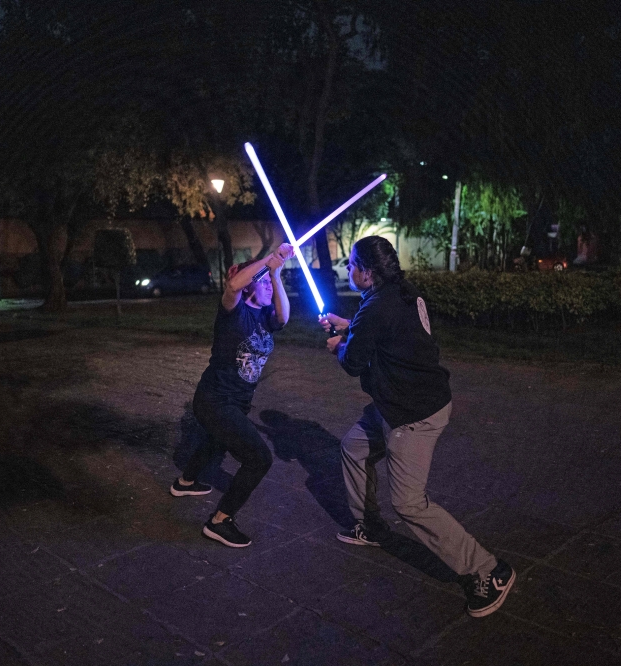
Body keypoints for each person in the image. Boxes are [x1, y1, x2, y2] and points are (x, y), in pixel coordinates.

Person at [318, 236, 515, 618]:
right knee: (354, 447)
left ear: (368, 272)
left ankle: (489, 570)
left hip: (412, 414)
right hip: (403, 400)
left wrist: (339, 344)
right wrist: (349, 326)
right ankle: (369, 526)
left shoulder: (376, 307)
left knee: (408, 502)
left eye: (352, 263)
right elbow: (382, 331)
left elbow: (352, 362)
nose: (347, 268)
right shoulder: (401, 292)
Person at [170, 244, 293, 548]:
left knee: (216, 441)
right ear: (251, 284)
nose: (268, 286)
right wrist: (268, 260)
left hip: (236, 402)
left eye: (270, 282)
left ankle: (185, 482)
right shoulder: (233, 310)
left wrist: (275, 274)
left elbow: (285, 316)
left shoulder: (267, 318)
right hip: (213, 399)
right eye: (263, 281)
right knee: (259, 459)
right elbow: (233, 285)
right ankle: (220, 521)